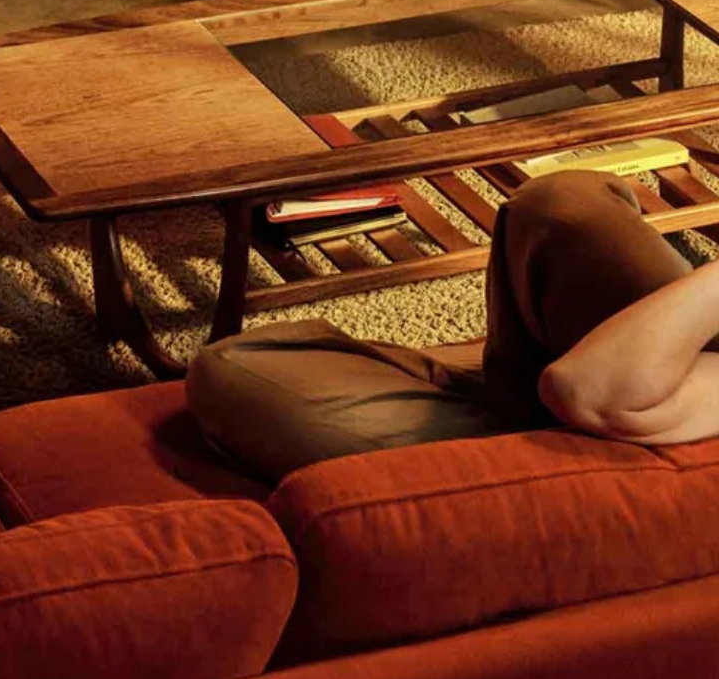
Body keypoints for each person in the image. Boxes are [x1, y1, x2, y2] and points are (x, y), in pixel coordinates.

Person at [187, 169, 719, 484]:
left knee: (234, 369)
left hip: (583, 431)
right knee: (560, 201)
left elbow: (586, 391)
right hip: (633, 364)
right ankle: (501, 366)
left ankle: (500, 392)